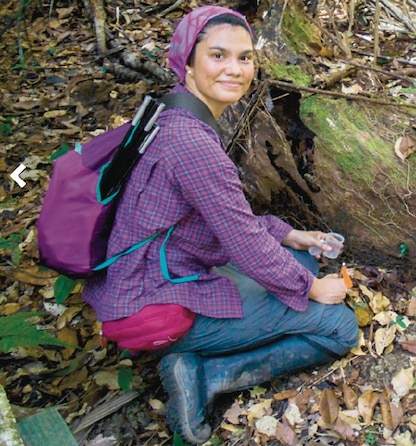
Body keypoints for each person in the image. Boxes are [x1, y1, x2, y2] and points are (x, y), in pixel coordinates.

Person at [82, 6, 359, 444]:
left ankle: (204, 354)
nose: (235, 69)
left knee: (297, 259)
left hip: (148, 275)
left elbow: (219, 217)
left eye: (245, 57)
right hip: (152, 307)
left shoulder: (170, 115)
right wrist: (314, 290)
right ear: (187, 61)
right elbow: (243, 241)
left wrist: (291, 235)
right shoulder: (191, 142)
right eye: (218, 56)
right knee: (339, 327)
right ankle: (206, 375)